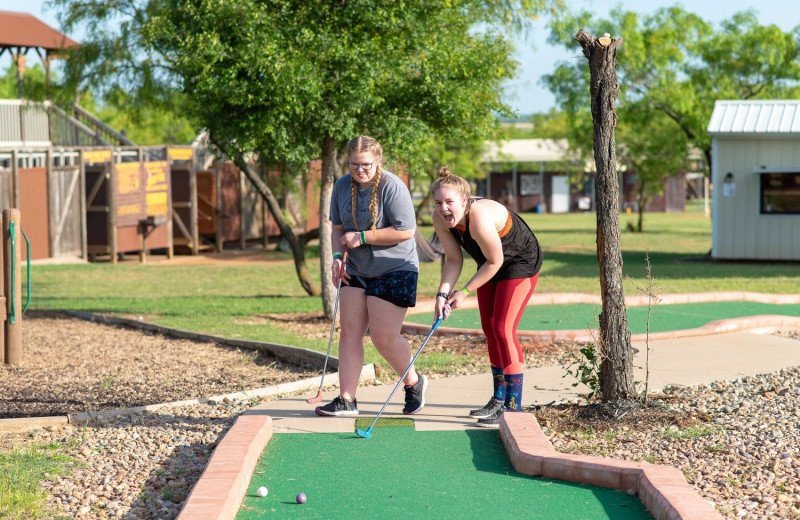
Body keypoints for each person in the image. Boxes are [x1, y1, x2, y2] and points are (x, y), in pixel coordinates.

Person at [315, 136, 427, 417]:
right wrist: (338, 259)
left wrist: (363, 237)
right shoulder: (342, 186)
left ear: (378, 160)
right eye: (353, 164)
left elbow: (405, 231)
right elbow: (337, 229)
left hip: (395, 267)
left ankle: (413, 382)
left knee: (382, 336)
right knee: (350, 332)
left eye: (365, 164)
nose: (359, 170)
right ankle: (346, 399)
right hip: (356, 268)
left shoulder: (393, 186)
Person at [431, 167, 542, 428]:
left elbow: (496, 261)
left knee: (503, 328)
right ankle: (498, 398)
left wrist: (464, 292)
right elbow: (454, 259)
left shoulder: (478, 218)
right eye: (438, 203)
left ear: (465, 200)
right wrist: (442, 294)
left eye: (449, 202)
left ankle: (513, 408)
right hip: (489, 263)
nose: (443, 208)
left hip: (519, 261)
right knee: (489, 328)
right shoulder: (440, 219)